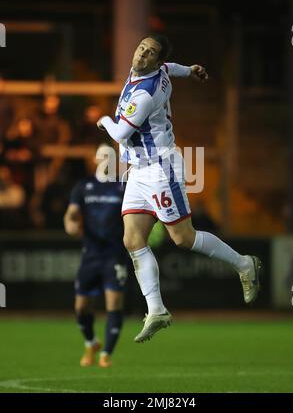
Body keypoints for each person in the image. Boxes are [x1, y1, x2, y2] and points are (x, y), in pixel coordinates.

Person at [97, 33, 262, 343]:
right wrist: (190, 69)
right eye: (142, 47)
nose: (142, 54)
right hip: (138, 172)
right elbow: (170, 68)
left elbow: (119, 133)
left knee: (183, 238)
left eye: (150, 53)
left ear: (155, 61)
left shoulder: (146, 92)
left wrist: (104, 119)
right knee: (132, 238)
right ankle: (157, 310)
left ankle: (244, 264)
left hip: (161, 169)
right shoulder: (155, 71)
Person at [64, 143, 128, 367]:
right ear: (95, 159)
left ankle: (106, 354)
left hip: (115, 254)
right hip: (90, 254)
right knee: (81, 307)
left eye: (109, 156)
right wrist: (70, 225)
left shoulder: (124, 185)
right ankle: (91, 342)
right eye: (101, 156)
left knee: (115, 302)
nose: (105, 160)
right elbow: (71, 214)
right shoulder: (84, 186)